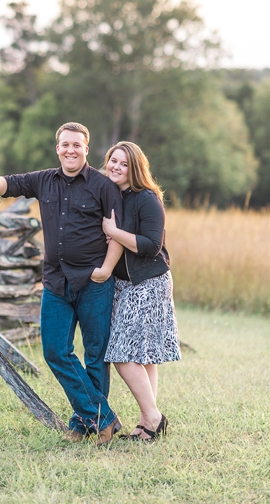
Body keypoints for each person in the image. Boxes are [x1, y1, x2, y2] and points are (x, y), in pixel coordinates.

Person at [0, 122, 124, 445]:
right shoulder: (43, 180)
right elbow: (7, 182)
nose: (71, 150)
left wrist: (106, 270)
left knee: (95, 355)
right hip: (56, 282)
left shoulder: (103, 185)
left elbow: (116, 233)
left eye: (77, 145)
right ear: (58, 149)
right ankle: (101, 417)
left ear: (86, 148)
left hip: (94, 281)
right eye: (65, 145)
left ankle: (84, 424)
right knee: (55, 350)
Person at [99, 141, 181, 441]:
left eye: (123, 163)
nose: (116, 167)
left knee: (121, 353)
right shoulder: (110, 195)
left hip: (148, 283)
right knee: (144, 356)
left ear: (135, 168)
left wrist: (114, 232)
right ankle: (149, 424)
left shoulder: (147, 198)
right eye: (112, 161)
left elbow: (151, 245)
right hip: (123, 285)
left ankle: (153, 417)